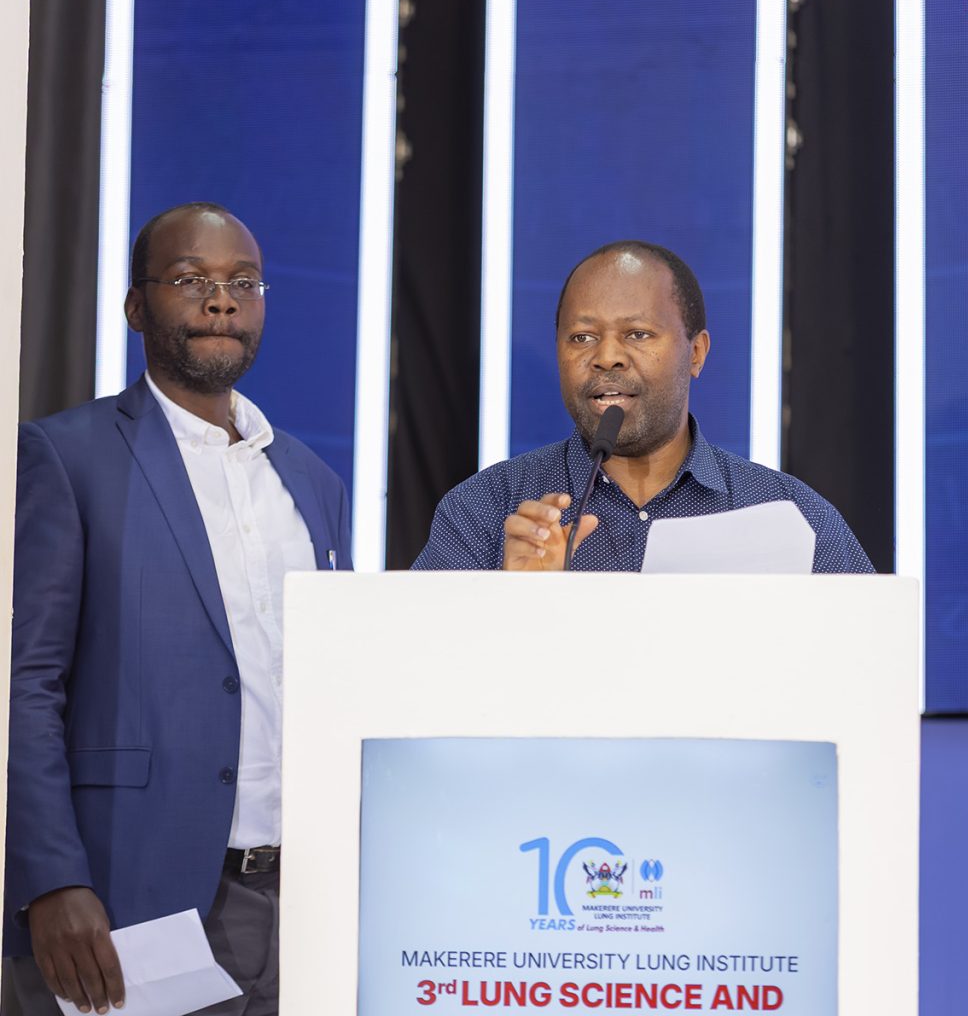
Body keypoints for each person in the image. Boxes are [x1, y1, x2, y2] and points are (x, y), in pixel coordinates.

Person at [2, 203, 352, 1015]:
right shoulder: (67, 456)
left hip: (300, 903)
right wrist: (50, 878)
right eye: (191, 280)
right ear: (136, 306)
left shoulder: (314, 483)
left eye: (243, 283)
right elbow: (24, 685)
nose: (221, 300)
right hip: (129, 899)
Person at [413, 240, 872, 574]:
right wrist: (507, 603)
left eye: (637, 334)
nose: (606, 356)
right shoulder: (485, 512)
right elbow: (416, 667)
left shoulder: (790, 516)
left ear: (696, 353)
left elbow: (866, 662)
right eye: (582, 337)